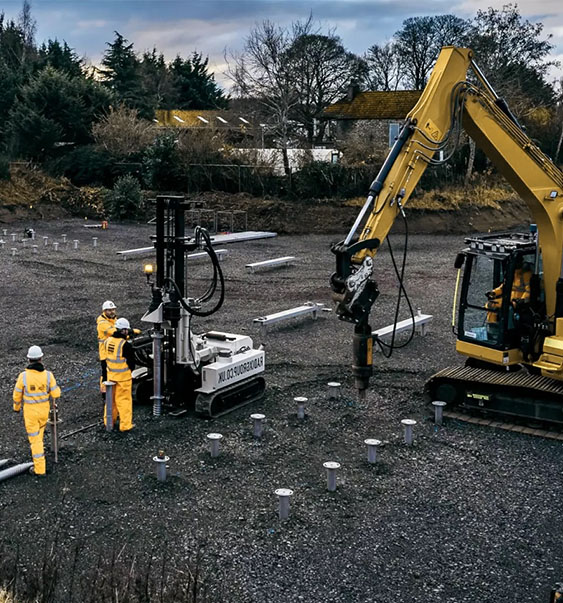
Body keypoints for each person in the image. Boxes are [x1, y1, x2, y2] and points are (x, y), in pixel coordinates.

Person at [12, 345, 61, 477]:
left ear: (29, 360)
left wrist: (16, 408)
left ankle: (39, 468)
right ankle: (39, 456)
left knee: (35, 441)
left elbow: (17, 395)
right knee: (39, 435)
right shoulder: (48, 376)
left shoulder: (23, 377)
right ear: (41, 358)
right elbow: (56, 393)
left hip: (30, 414)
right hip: (43, 412)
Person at [104, 317, 135, 432]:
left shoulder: (107, 341)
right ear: (124, 331)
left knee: (110, 401)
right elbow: (131, 362)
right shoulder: (125, 345)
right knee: (124, 401)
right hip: (123, 378)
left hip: (111, 376)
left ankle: (109, 422)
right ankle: (125, 426)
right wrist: (129, 370)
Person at [486, 261, 532, 337]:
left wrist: (522, 300)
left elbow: (528, 290)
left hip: (519, 301)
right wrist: (493, 293)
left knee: (509, 308)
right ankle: (493, 327)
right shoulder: (511, 273)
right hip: (508, 299)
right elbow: (502, 287)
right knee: (491, 304)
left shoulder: (526, 275)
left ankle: (509, 331)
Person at [97, 300, 118, 393]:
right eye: (109, 310)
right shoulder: (102, 323)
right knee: (106, 374)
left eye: (113, 309)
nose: (112, 312)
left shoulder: (114, 320)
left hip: (113, 352)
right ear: (104, 311)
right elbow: (114, 332)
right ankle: (105, 393)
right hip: (105, 353)